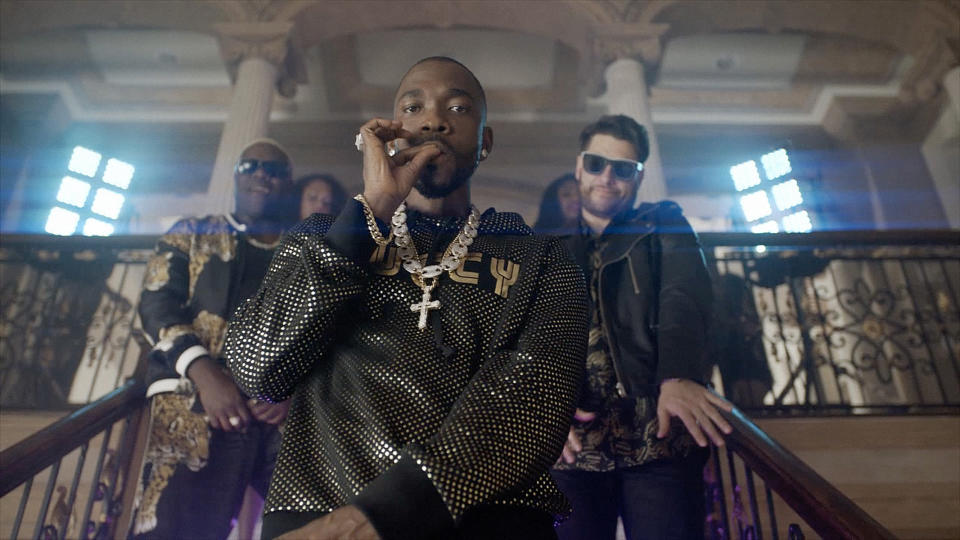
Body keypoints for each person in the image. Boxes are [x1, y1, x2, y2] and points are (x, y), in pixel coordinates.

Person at [223, 57, 589, 540]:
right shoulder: (321, 238)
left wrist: (381, 514)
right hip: (317, 510)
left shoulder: (543, 259)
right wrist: (369, 212)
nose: (434, 119)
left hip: (488, 520)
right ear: (392, 131)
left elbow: (529, 402)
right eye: (413, 106)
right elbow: (258, 367)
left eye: (458, 108)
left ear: (486, 143)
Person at [550, 115, 734, 540]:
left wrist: (679, 373)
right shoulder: (547, 251)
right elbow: (526, 337)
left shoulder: (662, 223)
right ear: (579, 166)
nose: (607, 177)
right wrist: (541, 409)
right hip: (574, 447)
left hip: (658, 436)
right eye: (596, 164)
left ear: (639, 176)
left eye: (623, 168)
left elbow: (684, 297)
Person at [135, 138, 297, 539]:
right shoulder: (192, 232)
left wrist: (294, 390)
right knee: (177, 529)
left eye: (274, 171)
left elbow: (323, 329)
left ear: (286, 185)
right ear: (237, 177)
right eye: (251, 166)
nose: (262, 174)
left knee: (312, 523)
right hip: (193, 402)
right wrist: (205, 373)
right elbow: (156, 303)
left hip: (276, 416)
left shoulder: (302, 252)